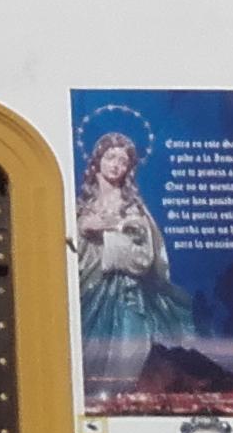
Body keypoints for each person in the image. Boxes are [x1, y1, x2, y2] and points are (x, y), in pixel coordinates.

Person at [75, 132, 197, 353]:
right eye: (110, 157)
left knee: (125, 349)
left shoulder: (132, 208)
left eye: (123, 161)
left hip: (123, 292)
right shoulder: (82, 205)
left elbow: (143, 256)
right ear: (98, 160)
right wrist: (83, 230)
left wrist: (105, 232)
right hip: (88, 288)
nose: (116, 165)